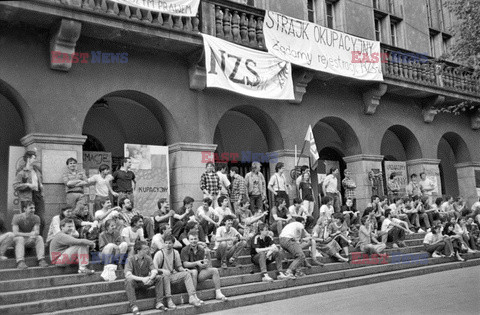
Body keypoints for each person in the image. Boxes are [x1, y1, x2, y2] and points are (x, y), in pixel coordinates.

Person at [153, 234, 202, 308]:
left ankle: (192, 296)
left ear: (173, 244)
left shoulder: (175, 253)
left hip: (172, 275)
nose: (168, 245)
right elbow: (154, 269)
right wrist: (163, 270)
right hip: (162, 277)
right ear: (163, 243)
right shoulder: (159, 254)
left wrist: (184, 270)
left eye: (170, 243)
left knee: (186, 274)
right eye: (166, 243)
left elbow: (179, 266)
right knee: (166, 275)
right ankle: (169, 300)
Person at [181, 231, 228, 301]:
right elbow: (185, 264)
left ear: (198, 239)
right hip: (189, 274)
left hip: (199, 272)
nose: (193, 241)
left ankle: (218, 293)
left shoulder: (201, 249)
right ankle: (194, 296)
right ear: (188, 240)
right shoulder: (185, 250)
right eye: (191, 239)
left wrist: (204, 264)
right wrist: (196, 263)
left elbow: (202, 263)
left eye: (195, 239)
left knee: (214, 270)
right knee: (194, 271)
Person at [124, 241, 166, 315]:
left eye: (147, 248)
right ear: (138, 251)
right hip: (135, 283)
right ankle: (134, 306)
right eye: (145, 249)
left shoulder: (148, 258)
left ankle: (159, 303)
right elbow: (128, 275)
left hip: (146, 282)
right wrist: (142, 279)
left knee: (159, 278)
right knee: (128, 280)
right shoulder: (130, 259)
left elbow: (154, 270)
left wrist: (150, 278)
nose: (147, 250)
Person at [13, 151, 45, 235]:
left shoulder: (37, 170)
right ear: (28, 159)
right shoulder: (21, 172)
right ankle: (27, 240)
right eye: (34, 157)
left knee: (41, 219)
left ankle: (38, 238)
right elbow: (15, 186)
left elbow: (40, 181)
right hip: (27, 198)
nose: (36, 159)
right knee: (27, 220)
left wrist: (41, 185)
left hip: (38, 196)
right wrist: (28, 185)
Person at [12, 201, 48, 269]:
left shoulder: (36, 218)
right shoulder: (17, 217)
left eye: (34, 208)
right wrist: (29, 234)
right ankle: (20, 262)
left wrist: (34, 234)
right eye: (31, 208)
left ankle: (41, 260)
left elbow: (36, 231)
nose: (33, 210)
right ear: (24, 209)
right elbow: (15, 233)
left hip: (28, 240)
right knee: (20, 238)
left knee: (39, 237)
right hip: (17, 241)